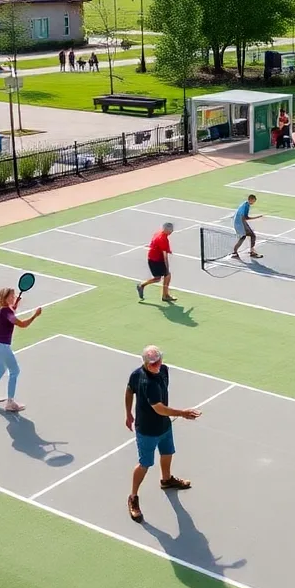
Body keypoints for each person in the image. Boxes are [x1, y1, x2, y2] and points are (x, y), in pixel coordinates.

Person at [125, 345, 201, 523]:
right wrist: (182, 413)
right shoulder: (145, 381)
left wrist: (128, 413)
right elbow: (158, 408)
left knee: (168, 453)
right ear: (145, 363)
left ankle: (166, 480)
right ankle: (133, 497)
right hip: (147, 430)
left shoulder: (164, 370)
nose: (157, 365)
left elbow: (129, 390)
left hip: (164, 426)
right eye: (152, 363)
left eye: (158, 361)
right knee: (144, 464)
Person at [0, 288, 42, 412]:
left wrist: (14, 305)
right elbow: (22, 324)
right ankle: (10, 403)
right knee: (15, 371)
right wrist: (35, 315)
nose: (14, 297)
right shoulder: (6, 312)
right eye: (11, 296)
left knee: (1, 368)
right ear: (4, 298)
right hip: (2, 347)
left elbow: (7, 317)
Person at [137, 222, 177, 302]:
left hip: (152, 258)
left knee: (157, 278)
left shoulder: (158, 233)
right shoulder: (163, 239)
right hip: (156, 260)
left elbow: (155, 244)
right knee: (167, 275)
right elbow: (165, 255)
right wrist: (167, 267)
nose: (172, 231)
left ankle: (142, 285)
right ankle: (165, 296)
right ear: (167, 230)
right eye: (171, 229)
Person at [232, 195, 262, 259]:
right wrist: (257, 217)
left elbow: (243, 218)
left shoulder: (245, 204)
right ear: (250, 199)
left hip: (240, 222)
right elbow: (246, 217)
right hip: (239, 223)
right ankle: (235, 252)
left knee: (251, 235)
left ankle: (250, 251)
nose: (254, 202)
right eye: (254, 200)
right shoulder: (246, 206)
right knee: (245, 237)